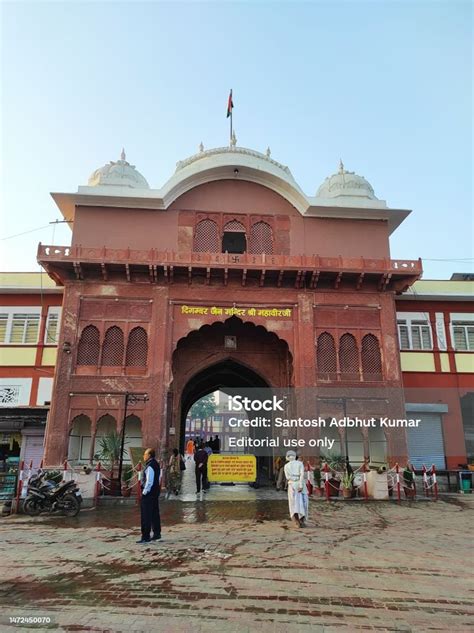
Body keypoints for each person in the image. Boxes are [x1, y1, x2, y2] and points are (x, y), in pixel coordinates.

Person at [137, 448, 161, 544]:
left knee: (146, 515)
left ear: (149, 455)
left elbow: (149, 481)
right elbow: (158, 478)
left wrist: (144, 492)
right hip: (155, 492)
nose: (144, 456)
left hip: (149, 493)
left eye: (145, 454)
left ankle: (145, 536)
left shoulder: (150, 466)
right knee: (154, 513)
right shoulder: (156, 464)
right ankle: (156, 533)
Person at [283, 450, 308, 528]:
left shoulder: (286, 466)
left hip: (292, 485)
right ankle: (301, 521)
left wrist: (294, 479)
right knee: (303, 503)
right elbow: (301, 475)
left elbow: (288, 477)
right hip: (300, 484)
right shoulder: (300, 464)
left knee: (294, 503)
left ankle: (297, 521)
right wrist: (300, 485)